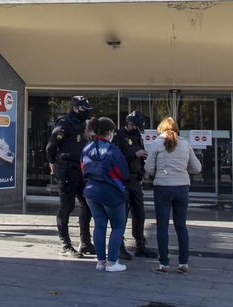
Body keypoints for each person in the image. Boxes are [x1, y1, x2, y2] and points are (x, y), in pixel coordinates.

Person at [147, 116, 200, 273]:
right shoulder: (185, 144)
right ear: (176, 129)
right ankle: (183, 263)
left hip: (162, 187)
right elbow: (197, 168)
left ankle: (164, 263)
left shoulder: (156, 143)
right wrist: (183, 169)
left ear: (161, 129)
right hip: (182, 187)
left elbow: (149, 169)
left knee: (162, 227)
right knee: (181, 226)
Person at [45, 95, 95, 257]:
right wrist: (52, 163)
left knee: (87, 203)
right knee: (67, 206)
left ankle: (85, 242)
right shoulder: (64, 124)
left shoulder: (82, 124)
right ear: (75, 108)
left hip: (81, 168)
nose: (86, 112)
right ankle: (65, 244)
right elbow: (51, 146)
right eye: (83, 109)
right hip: (67, 168)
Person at [80, 116, 130, 272]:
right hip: (111, 193)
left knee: (99, 225)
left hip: (91, 192)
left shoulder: (86, 148)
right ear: (109, 132)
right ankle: (112, 262)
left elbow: (83, 168)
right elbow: (123, 173)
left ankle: (100, 261)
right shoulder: (112, 150)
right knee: (118, 226)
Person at [113, 111, 154, 259]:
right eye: (136, 126)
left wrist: (142, 169)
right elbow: (116, 159)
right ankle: (119, 246)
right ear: (129, 124)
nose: (138, 130)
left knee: (139, 213)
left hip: (136, 180)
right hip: (123, 181)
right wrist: (134, 155)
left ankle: (140, 245)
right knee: (121, 215)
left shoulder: (138, 137)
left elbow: (140, 159)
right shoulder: (118, 137)